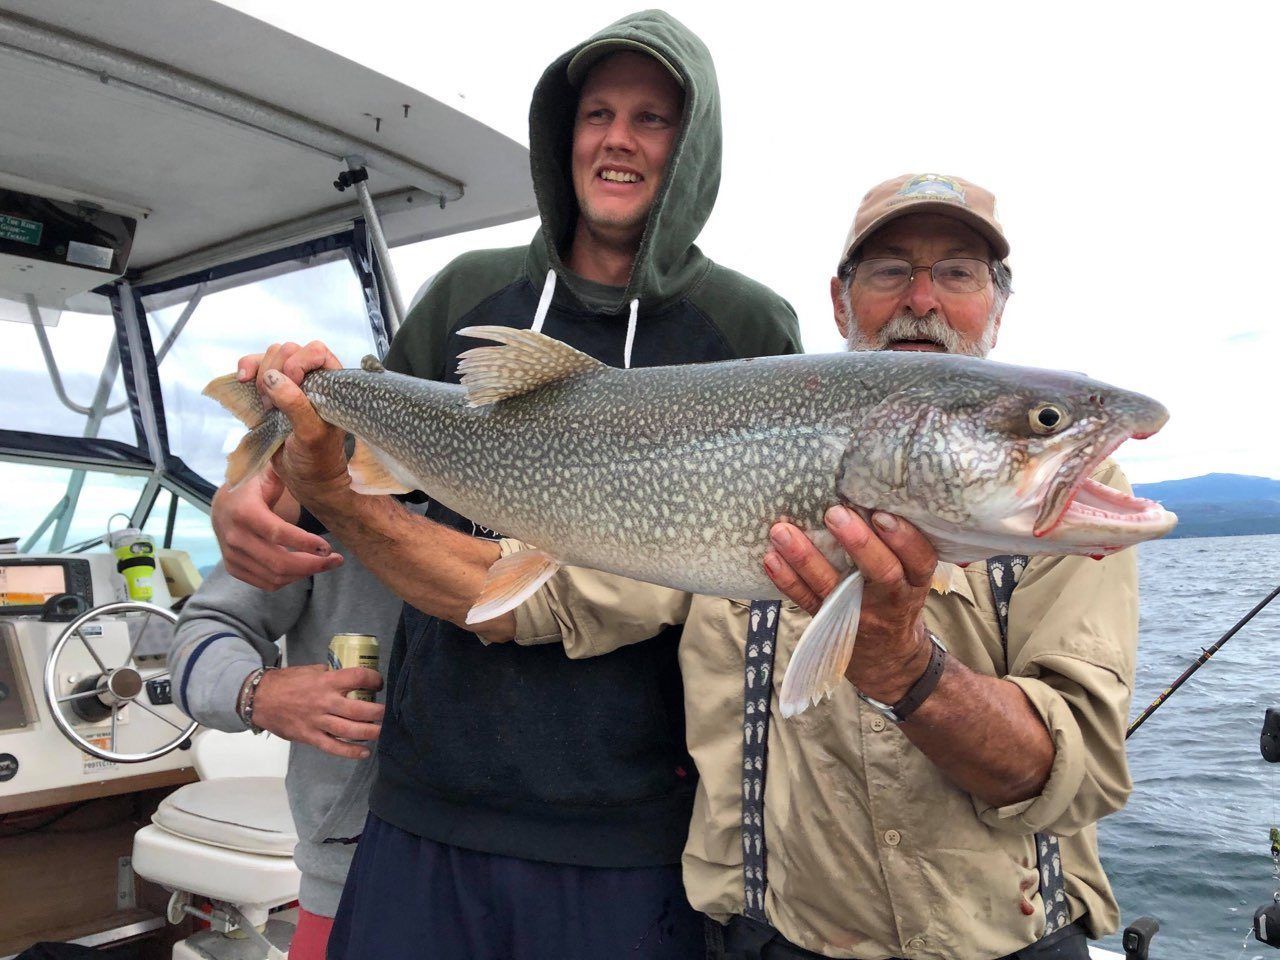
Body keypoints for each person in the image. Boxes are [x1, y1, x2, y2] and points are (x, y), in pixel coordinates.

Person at [214, 10, 801, 959]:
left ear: (691, 148)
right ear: (562, 134)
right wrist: (244, 496)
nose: (617, 139)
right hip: (427, 803)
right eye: (597, 112)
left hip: (637, 829)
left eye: (652, 118)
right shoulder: (466, 293)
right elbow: (333, 465)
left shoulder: (747, 325)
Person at [495, 174, 1138, 959]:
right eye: (890, 270)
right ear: (841, 302)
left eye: (959, 272)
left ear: (999, 306)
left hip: (1010, 941)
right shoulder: (735, 450)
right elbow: (531, 604)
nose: (923, 299)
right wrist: (351, 500)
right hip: (772, 937)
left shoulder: (1071, 495)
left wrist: (903, 667)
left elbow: (1073, 769)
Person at [169, 525, 406, 960]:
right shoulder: (320, 491)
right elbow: (209, 627)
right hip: (352, 873)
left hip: (554, 857)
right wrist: (255, 690)